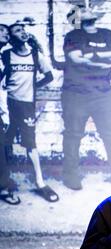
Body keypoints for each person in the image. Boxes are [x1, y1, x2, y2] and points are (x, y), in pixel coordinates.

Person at [61, 7, 111, 190]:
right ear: (79, 18)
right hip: (75, 93)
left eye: (90, 9)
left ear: (96, 17)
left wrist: (95, 56)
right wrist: (106, 60)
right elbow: (77, 59)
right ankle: (71, 177)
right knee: (73, 135)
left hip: (103, 93)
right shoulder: (73, 36)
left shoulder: (107, 34)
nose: (87, 11)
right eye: (82, 10)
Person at [0, 21, 59, 202]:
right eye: (17, 30)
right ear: (12, 38)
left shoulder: (35, 55)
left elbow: (49, 76)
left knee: (30, 144)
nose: (22, 32)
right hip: (8, 105)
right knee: (4, 145)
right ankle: (5, 185)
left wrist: (34, 86)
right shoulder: (6, 55)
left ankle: (40, 183)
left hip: (26, 105)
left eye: (23, 29)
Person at [0, 23, 20, 205]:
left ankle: (4, 187)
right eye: (1, 31)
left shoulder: (2, 58)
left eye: (7, 32)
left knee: (2, 150)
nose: (5, 34)